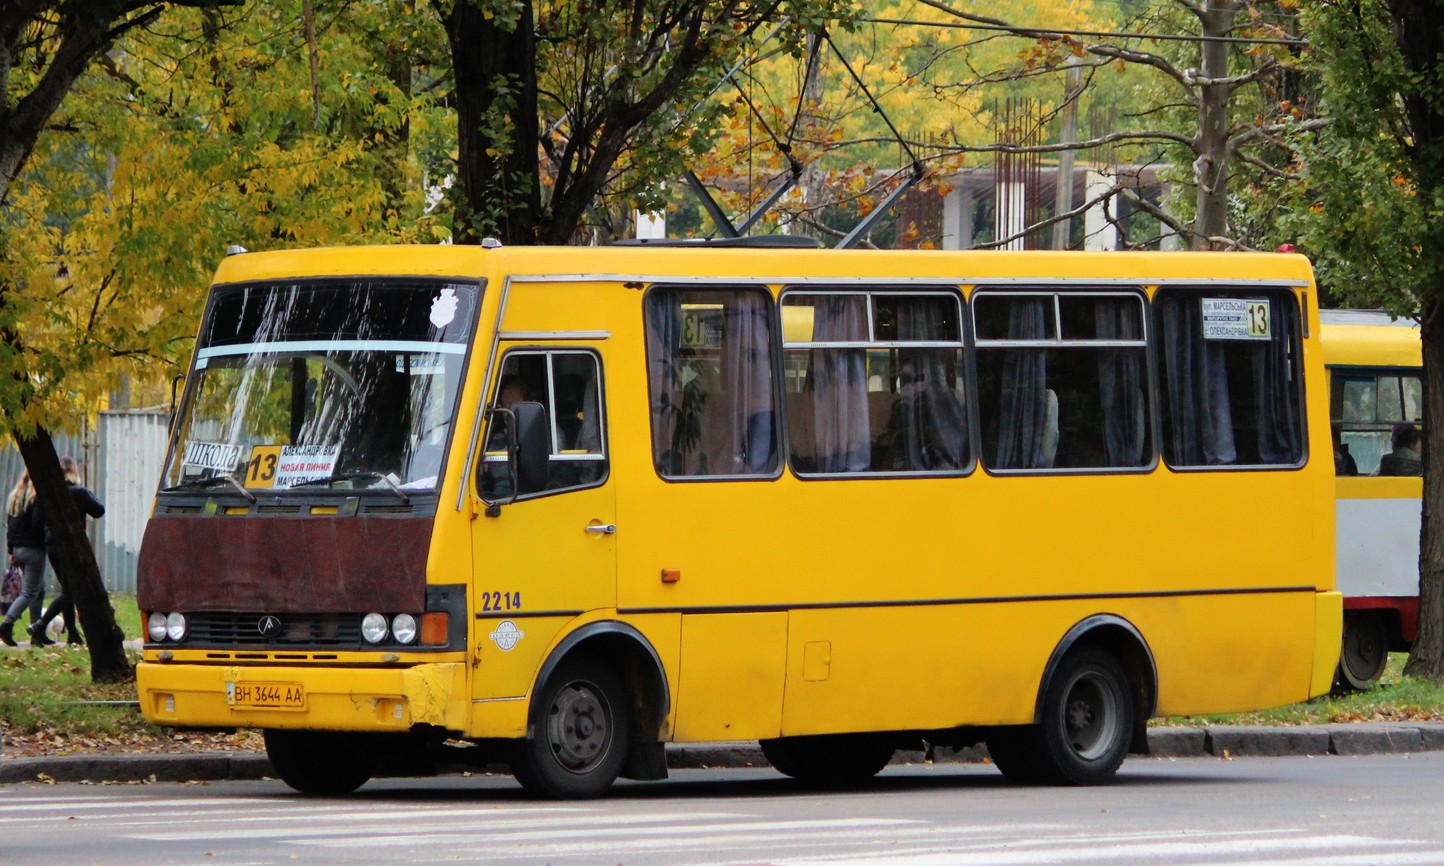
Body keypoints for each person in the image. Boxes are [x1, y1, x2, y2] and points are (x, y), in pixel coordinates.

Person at [29, 456, 105, 646]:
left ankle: (72, 634)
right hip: (70, 547)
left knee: (67, 590)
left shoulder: (47, 494)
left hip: (51, 545)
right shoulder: (78, 492)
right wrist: (88, 492)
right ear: (74, 472)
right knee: (69, 593)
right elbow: (98, 510)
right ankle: (41, 625)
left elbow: (36, 522)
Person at [0, 471, 47, 647]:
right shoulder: (36, 498)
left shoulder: (16, 497)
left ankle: (37, 632)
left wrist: (11, 550)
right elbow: (37, 525)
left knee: (39, 590)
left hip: (18, 549)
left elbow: (10, 527)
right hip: (33, 550)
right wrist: (46, 540)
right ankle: (6, 625)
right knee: (29, 592)